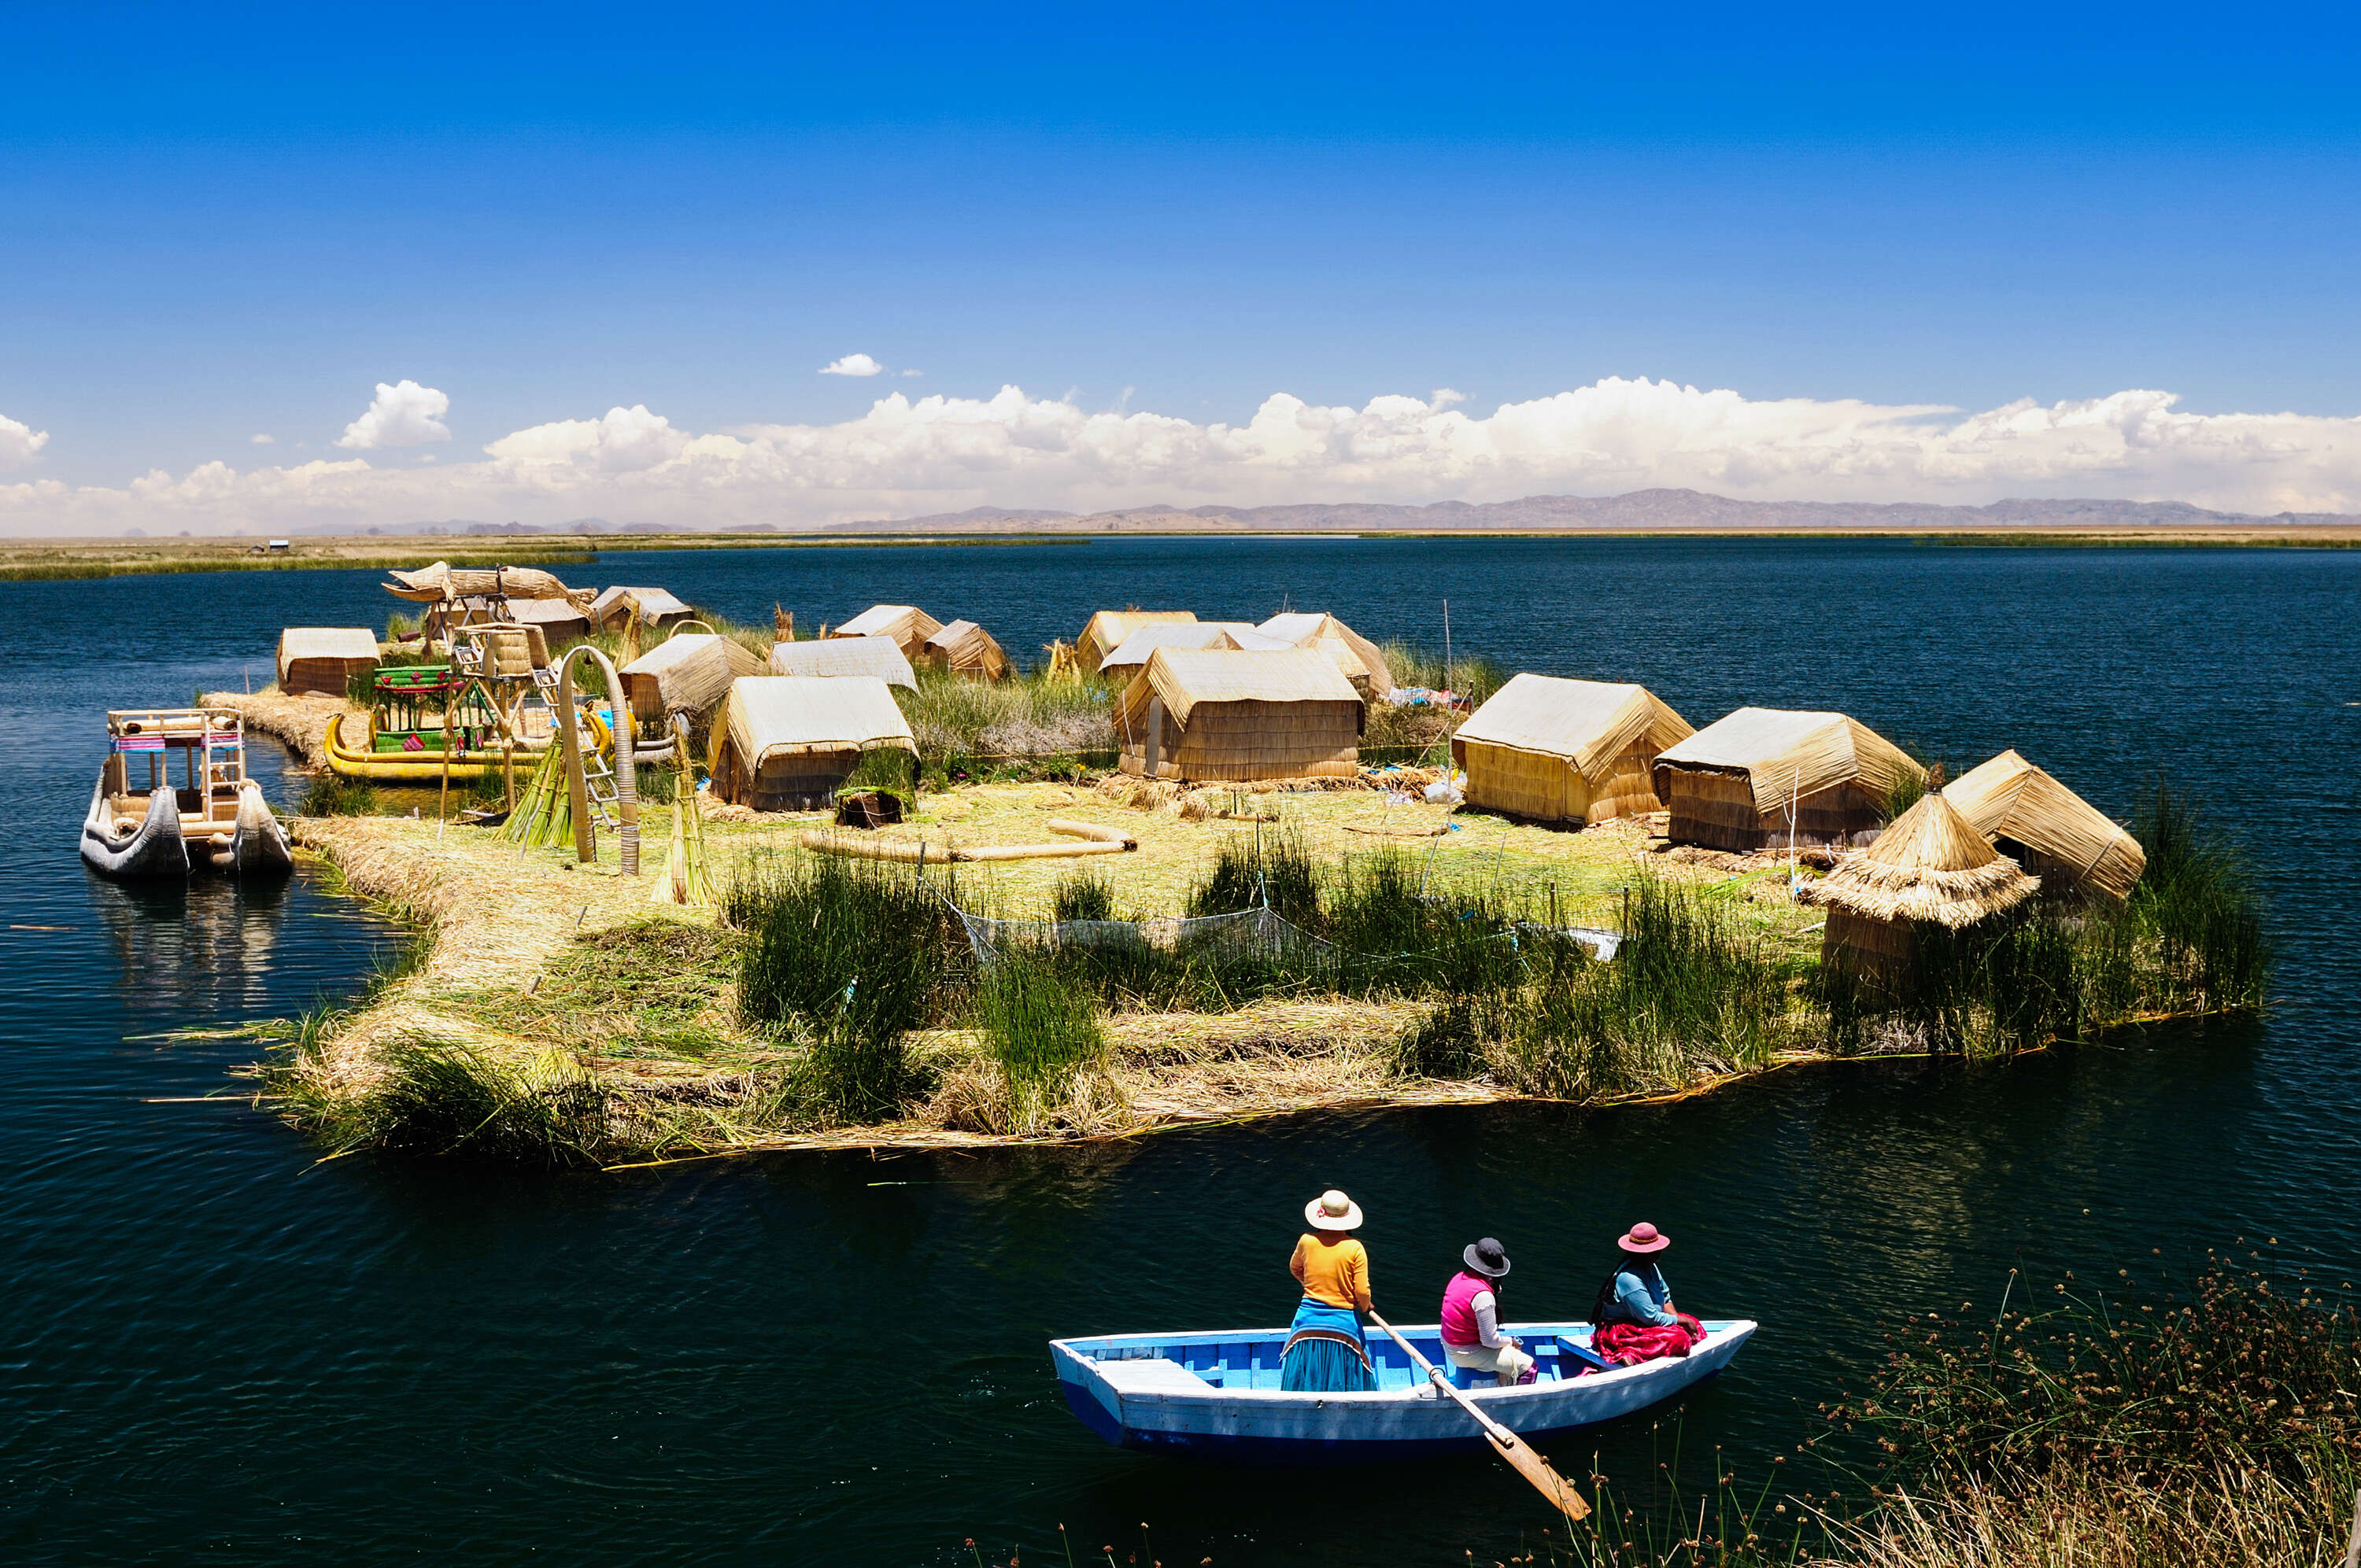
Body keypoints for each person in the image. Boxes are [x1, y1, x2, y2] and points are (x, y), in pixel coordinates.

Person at [1280, 1189, 1377, 1392]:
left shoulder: (1306, 1240)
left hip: (1306, 1321)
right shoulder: (1355, 1247)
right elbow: (1362, 1290)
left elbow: (1295, 1268)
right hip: (1343, 1323)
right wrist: (1365, 1306)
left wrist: (1310, 1286)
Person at [1591, 1222, 1707, 1367]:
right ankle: (1627, 1352)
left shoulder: (1651, 1267)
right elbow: (1649, 1317)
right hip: (1623, 1330)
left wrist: (1677, 1322)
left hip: (1645, 1322)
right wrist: (1679, 1322)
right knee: (1680, 1339)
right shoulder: (1629, 1279)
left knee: (1694, 1325)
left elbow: (1665, 1297)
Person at [1439, 1237, 1535, 1386]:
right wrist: (1510, 1341)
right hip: (1465, 1353)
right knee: (1530, 1368)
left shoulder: (1458, 1278)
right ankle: (1511, 1403)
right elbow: (1489, 1341)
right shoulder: (1483, 1296)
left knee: (1504, 1349)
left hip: (1449, 1345)